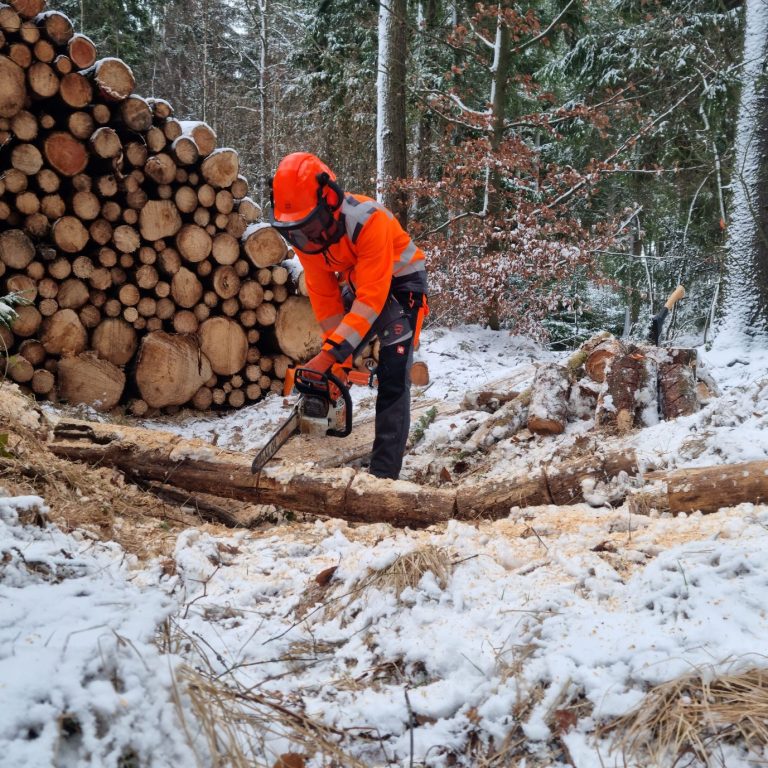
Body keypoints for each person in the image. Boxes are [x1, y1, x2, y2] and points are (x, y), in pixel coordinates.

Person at [269, 152, 428, 480]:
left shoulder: (368, 221)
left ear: (329, 200)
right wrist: (336, 361)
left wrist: (329, 357)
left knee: (394, 371)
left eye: (309, 226)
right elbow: (327, 302)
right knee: (340, 351)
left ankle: (384, 474)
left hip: (401, 282)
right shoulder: (305, 235)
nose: (305, 238)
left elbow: (371, 300)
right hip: (358, 281)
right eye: (296, 231)